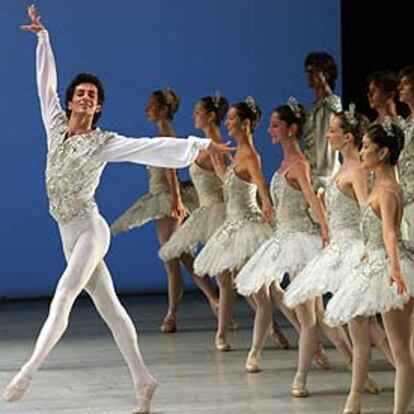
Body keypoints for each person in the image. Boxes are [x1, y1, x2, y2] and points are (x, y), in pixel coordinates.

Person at [3, 6, 232, 413]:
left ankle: (28, 371)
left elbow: (151, 146)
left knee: (64, 295)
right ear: (72, 101)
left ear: (98, 108)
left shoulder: (104, 141)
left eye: (93, 96)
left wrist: (198, 144)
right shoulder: (54, 125)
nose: (85, 98)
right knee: (110, 309)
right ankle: (144, 382)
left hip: (91, 230)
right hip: (66, 233)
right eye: (81, 93)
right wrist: (43, 39)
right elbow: (45, 85)